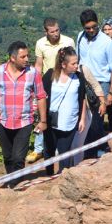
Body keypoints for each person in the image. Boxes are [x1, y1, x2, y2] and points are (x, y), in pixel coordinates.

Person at [0, 41, 46, 174]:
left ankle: (16, 183)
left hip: (24, 121)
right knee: (7, 156)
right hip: (4, 121)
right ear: (13, 58)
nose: (27, 59)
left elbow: (41, 96)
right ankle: (11, 178)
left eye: (27, 56)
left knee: (18, 157)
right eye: (23, 57)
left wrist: (43, 121)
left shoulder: (33, 73)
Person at [44, 47, 100, 171]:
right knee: (49, 149)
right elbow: (41, 96)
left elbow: (82, 99)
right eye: (73, 63)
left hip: (70, 121)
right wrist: (41, 119)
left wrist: (82, 119)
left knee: (65, 152)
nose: (76, 66)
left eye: (77, 62)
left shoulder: (79, 77)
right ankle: (49, 173)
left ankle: (62, 175)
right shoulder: (50, 76)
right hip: (50, 120)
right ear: (63, 64)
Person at [74, 9, 112, 154]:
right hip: (84, 81)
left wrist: (111, 92)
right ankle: (89, 149)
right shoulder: (80, 37)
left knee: (98, 118)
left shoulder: (107, 43)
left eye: (94, 26)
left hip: (101, 83)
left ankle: (99, 150)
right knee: (85, 116)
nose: (92, 30)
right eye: (88, 28)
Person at [32, 19, 69, 157]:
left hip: (65, 81)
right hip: (48, 83)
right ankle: (38, 148)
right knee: (44, 114)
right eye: (52, 31)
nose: (55, 34)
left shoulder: (68, 42)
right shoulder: (40, 43)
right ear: (46, 32)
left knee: (62, 113)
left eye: (57, 30)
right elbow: (39, 64)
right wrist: (36, 82)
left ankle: (59, 145)